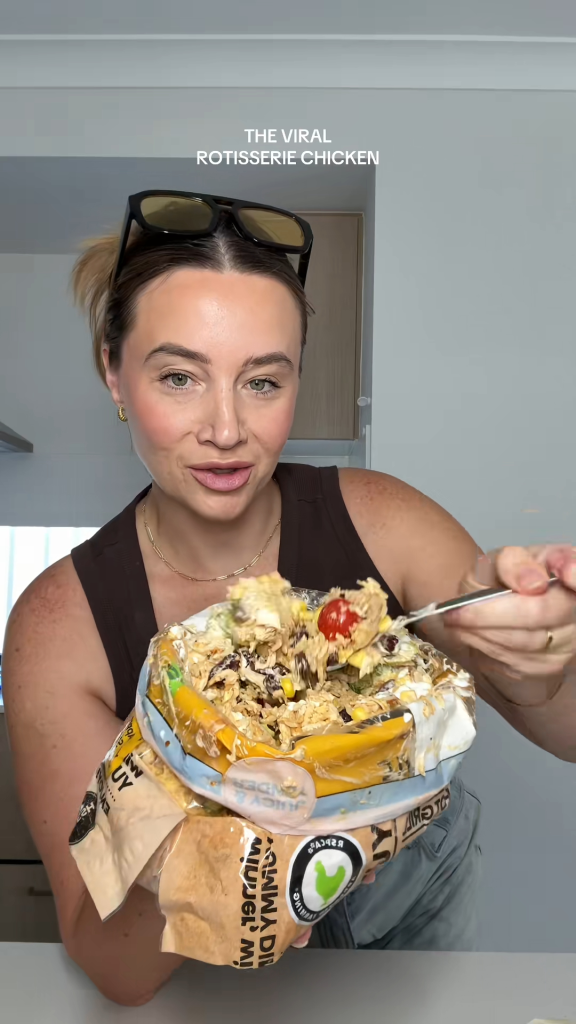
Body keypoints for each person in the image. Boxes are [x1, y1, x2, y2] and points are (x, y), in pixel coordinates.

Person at [3, 190, 576, 1006]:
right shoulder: (60, 627)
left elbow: (567, 731)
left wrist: (534, 660)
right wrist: (227, 833)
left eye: (263, 382)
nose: (228, 428)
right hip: (206, 998)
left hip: (417, 964)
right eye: (179, 377)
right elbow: (113, 963)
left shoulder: (379, 518)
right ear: (113, 373)